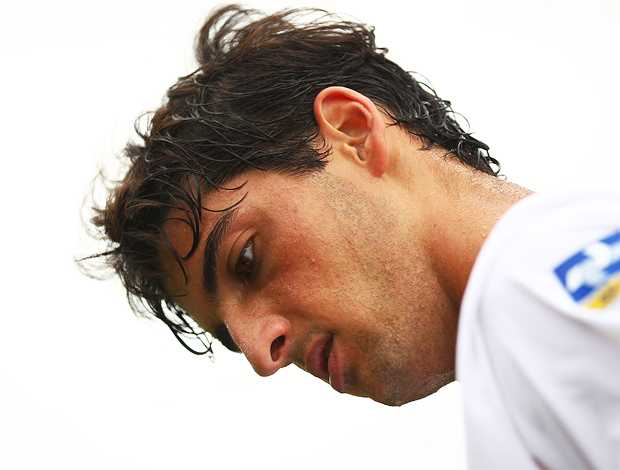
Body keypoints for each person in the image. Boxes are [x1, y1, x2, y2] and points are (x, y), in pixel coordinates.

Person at [85, 4, 620, 469]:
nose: (259, 353)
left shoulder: (545, 292)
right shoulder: (544, 311)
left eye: (246, 257)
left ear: (353, 133)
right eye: (228, 335)